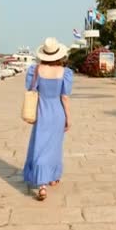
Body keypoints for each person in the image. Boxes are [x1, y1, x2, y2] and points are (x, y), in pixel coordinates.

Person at [23, 37, 73, 201]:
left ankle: (42, 185)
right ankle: (52, 177)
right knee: (54, 146)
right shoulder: (65, 72)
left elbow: (31, 89)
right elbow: (65, 97)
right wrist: (68, 117)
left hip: (42, 112)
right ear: (58, 55)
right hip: (57, 113)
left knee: (40, 146)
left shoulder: (35, 70)